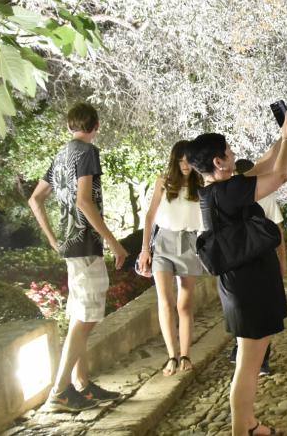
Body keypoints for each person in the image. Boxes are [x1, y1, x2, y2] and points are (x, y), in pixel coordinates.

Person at [186, 115, 287, 436]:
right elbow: (280, 175)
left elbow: (263, 164)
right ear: (219, 162)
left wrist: (282, 136)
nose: (234, 154)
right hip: (248, 284)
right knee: (249, 364)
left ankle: (248, 424)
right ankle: (241, 429)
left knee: (250, 358)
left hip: (244, 281)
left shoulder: (218, 190)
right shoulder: (228, 192)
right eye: (229, 151)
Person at [27, 103, 127, 411]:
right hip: (85, 245)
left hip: (71, 246)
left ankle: (82, 385)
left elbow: (35, 199)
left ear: (70, 126)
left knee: (79, 317)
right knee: (86, 317)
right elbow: (84, 201)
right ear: (96, 125)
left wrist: (55, 240)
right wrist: (114, 243)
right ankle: (60, 390)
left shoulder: (60, 155)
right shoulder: (86, 152)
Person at [138, 141, 205, 376]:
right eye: (181, 160)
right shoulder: (163, 182)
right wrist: (145, 250)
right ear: (174, 161)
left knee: (184, 304)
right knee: (165, 302)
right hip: (164, 243)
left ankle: (185, 354)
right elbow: (149, 217)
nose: (185, 165)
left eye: (189, 160)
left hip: (189, 243)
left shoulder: (202, 183)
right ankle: (171, 356)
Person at [225, 158, 287, 377]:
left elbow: (278, 230)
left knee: (244, 307)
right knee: (261, 310)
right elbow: (278, 232)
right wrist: (282, 260)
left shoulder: (230, 197)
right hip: (259, 260)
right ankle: (256, 358)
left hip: (243, 261)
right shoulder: (236, 197)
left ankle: (246, 352)